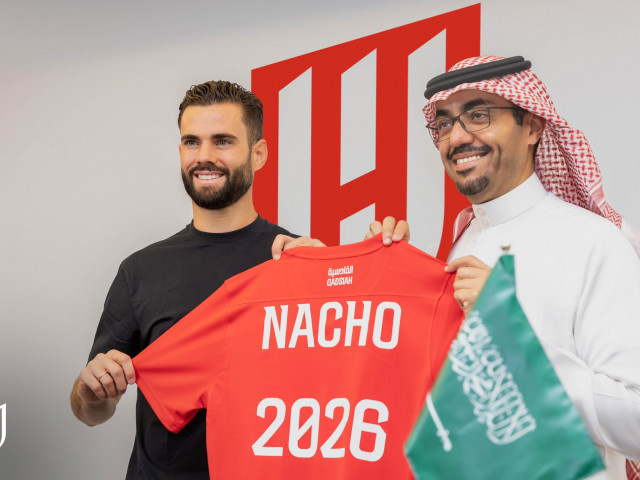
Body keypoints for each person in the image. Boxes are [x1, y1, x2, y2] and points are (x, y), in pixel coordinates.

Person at [417, 55, 640, 478]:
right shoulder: (449, 248)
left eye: (478, 116)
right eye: (444, 124)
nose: (456, 137)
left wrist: (510, 333)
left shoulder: (593, 242)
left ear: (533, 127)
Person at [70, 80, 304, 479]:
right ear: (180, 151)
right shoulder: (140, 270)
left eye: (223, 141)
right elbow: (90, 410)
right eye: (192, 142)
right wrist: (90, 391)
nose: (205, 156)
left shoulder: (298, 261)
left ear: (258, 154)